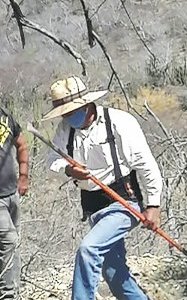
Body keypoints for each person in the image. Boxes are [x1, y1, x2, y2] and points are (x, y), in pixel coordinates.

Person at [42, 76, 163, 300]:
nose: (70, 117)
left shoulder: (119, 122)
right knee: (113, 273)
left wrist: (153, 205)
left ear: (86, 104)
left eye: (73, 111)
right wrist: (70, 170)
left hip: (123, 202)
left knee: (88, 250)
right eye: (65, 114)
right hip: (93, 207)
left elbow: (145, 164)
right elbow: (51, 159)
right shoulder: (65, 130)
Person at [0, 106, 28, 299]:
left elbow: (21, 144)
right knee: (9, 241)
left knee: (11, 246)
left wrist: (24, 175)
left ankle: (14, 291)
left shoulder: (4, 114)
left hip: (11, 194)